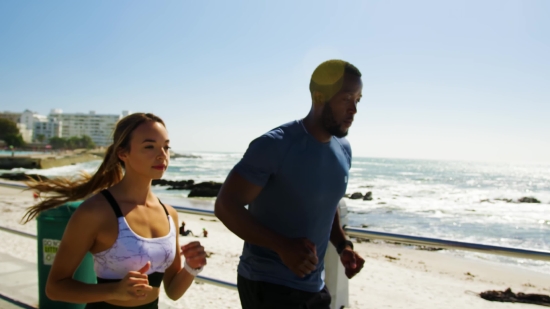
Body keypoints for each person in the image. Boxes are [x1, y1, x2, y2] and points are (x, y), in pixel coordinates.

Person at [215, 60, 366, 309]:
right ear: (319, 96)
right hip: (267, 284)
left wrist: (342, 245)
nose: (354, 110)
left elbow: (327, 204)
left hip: (314, 286)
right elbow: (225, 206)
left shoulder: (343, 149)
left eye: (358, 100)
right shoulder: (275, 145)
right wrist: (282, 246)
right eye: (346, 99)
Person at [22, 113, 207, 309]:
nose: (162, 154)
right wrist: (114, 290)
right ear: (123, 153)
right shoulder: (96, 212)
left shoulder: (169, 214)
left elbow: (173, 291)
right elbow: (55, 288)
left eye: (166, 146)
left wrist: (191, 267)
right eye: (149, 146)